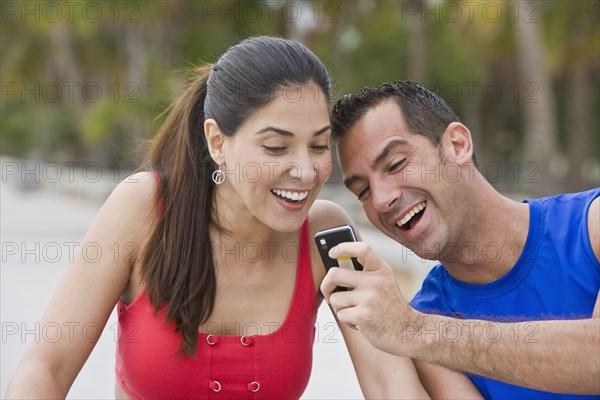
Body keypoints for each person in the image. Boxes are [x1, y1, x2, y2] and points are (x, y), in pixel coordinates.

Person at [6, 39, 429, 399]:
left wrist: (395, 316)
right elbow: (47, 368)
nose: (305, 171)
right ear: (217, 142)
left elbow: (388, 379)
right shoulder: (144, 209)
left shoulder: (327, 235)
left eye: (318, 146)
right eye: (276, 148)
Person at [320, 81, 600, 399]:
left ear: (457, 145)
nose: (381, 200)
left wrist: (414, 330)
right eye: (363, 191)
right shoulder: (425, 321)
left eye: (396, 164)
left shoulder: (591, 224)